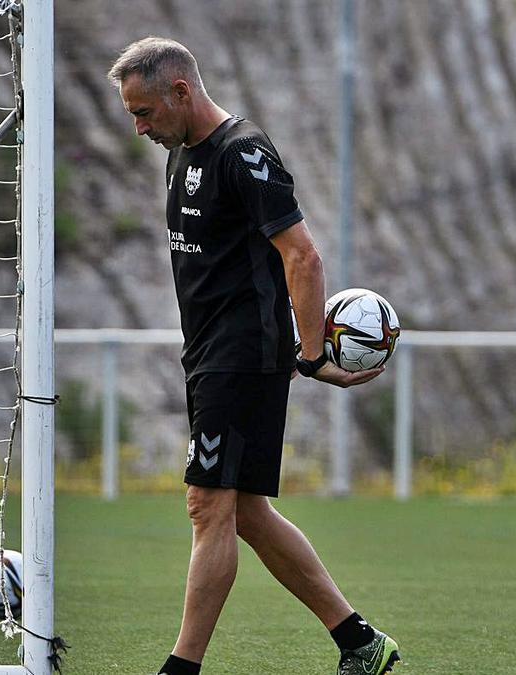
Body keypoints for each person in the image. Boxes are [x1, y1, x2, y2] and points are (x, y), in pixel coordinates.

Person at [107, 37, 401, 675]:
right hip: (208, 351)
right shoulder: (181, 151)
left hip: (245, 355)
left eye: (145, 111)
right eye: (132, 114)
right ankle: (359, 641)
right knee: (245, 510)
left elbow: (304, 255)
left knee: (206, 503)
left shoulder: (246, 154)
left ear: (181, 91)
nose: (138, 127)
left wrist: (312, 352)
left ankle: (181, 667)